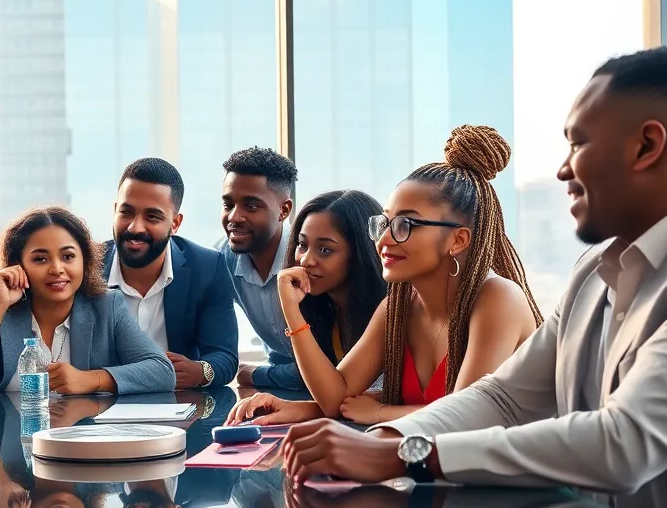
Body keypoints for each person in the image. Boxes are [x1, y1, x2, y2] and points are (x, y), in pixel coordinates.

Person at [275, 48, 667, 508]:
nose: (562, 170)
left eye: (578, 143)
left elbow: (624, 443)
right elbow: (505, 400)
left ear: (647, 145)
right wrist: (381, 437)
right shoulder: (596, 270)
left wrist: (396, 454)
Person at [228, 126, 541, 426]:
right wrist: (292, 313)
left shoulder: (498, 298)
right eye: (385, 223)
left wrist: (380, 413)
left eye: (406, 225)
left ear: (458, 240)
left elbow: (466, 418)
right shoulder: (396, 309)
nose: (384, 240)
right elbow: (337, 397)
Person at [0, 206, 176, 395]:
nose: (57, 269)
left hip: (84, 440)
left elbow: (162, 372)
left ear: (84, 260)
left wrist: (91, 380)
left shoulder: (108, 306)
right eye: (40, 259)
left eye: (68, 257)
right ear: (18, 264)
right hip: (12, 439)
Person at [104, 157, 239, 389]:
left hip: (177, 404)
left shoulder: (207, 267)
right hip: (102, 402)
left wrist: (200, 371)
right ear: (115, 210)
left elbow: (224, 356)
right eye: (126, 212)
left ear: (175, 223)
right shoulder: (86, 266)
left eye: (152, 216)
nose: (135, 227)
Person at [276, 189, 388, 385]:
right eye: (302, 245)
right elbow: (333, 398)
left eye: (325, 250)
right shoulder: (327, 313)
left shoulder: (392, 313)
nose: (306, 261)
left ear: (361, 254)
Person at [217, 147, 305, 389]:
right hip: (277, 386)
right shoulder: (223, 258)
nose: (234, 217)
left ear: (284, 211)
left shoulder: (308, 259)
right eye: (228, 205)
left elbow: (331, 366)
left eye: (251, 206)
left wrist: (255, 375)